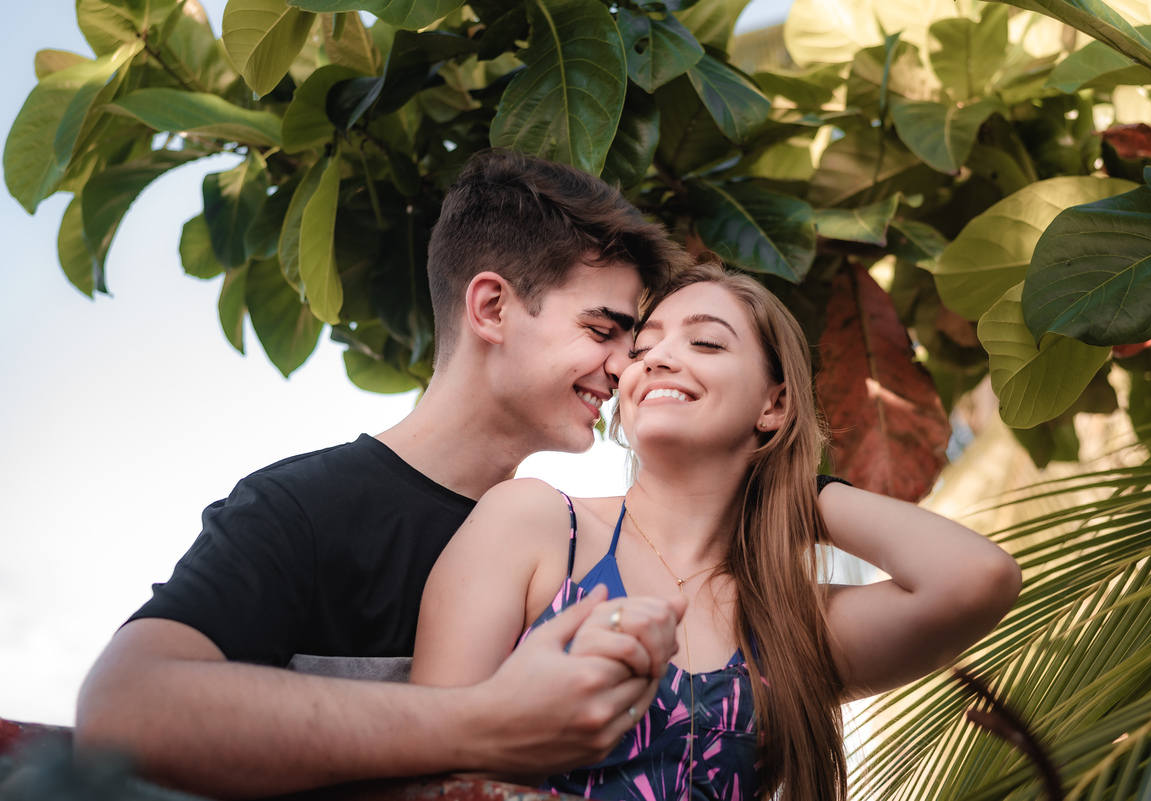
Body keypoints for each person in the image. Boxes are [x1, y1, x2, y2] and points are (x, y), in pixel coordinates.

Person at [74, 150, 695, 798]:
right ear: (491, 308)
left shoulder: (583, 539)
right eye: (602, 330)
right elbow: (124, 708)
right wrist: (483, 723)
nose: (627, 369)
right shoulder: (301, 510)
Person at [410, 262, 1024, 800]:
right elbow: (423, 769)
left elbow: (977, 579)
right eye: (643, 347)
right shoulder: (534, 522)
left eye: (705, 342)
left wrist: (797, 492)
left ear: (774, 405)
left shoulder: (789, 622)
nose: (656, 357)